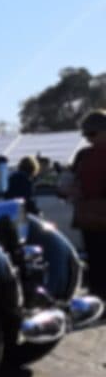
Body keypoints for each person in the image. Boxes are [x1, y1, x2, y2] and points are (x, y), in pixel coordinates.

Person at [74, 110, 106, 297]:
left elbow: (68, 186)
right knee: (96, 258)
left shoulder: (83, 156)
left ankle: (99, 296)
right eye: (86, 135)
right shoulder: (82, 155)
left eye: (91, 134)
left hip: (90, 215)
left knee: (96, 258)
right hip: (91, 215)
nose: (88, 139)